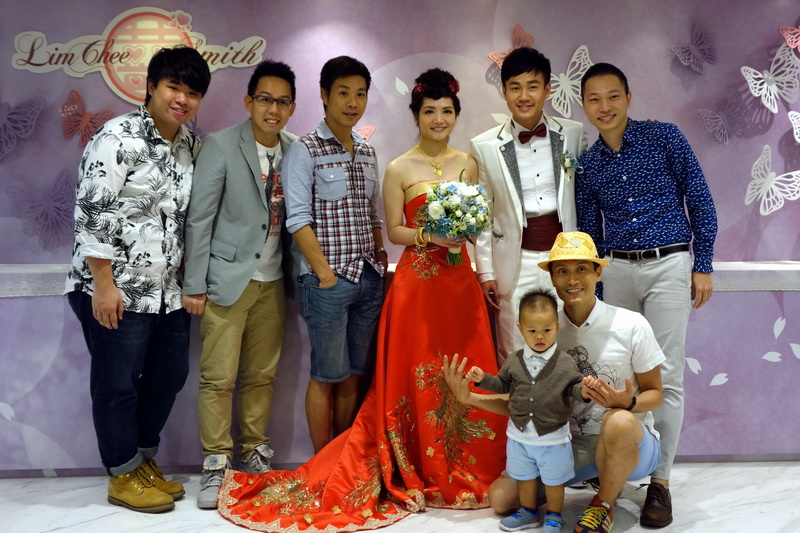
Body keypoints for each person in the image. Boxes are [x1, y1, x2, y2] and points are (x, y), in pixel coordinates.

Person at [215, 67, 507, 532]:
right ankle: (335, 456)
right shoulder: (391, 165)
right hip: (398, 283)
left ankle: (456, 456)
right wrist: (425, 238)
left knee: (368, 372)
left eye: (446, 111)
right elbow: (377, 226)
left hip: (444, 283)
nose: (438, 119)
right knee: (341, 373)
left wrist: (465, 237)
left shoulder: (440, 161)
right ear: (415, 116)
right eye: (429, 111)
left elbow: (378, 225)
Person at [65, 46, 211, 513]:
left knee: (170, 376)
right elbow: (93, 211)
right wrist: (103, 285)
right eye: (173, 88)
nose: (182, 99)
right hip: (115, 287)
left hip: (167, 292)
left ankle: (141, 460)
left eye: (192, 93)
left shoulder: (191, 147)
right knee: (118, 383)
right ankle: (121, 473)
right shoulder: (116, 136)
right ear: (150, 87)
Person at [445, 231, 666, 533]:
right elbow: (524, 403)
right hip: (563, 444)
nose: (572, 279)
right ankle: (591, 477)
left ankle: (602, 506)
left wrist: (628, 402)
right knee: (501, 498)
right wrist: (469, 397)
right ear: (552, 277)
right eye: (562, 271)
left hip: (630, 443)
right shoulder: (542, 330)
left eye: (581, 269)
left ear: (598, 273)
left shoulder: (631, 325)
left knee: (619, 421)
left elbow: (656, 393)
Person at [576, 62, 718, 528]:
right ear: (584, 106)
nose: (605, 106)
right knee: (621, 374)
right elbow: (589, 232)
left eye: (613, 96)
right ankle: (619, 469)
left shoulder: (664, 137)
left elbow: (699, 198)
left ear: (629, 97)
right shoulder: (589, 165)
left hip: (667, 264)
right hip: (616, 270)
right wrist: (596, 291)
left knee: (667, 375)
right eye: (594, 99)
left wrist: (702, 262)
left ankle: (660, 482)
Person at [182, 59, 298, 509]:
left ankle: (254, 452)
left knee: (262, 375)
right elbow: (200, 217)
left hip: (274, 280)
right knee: (218, 378)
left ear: (292, 108)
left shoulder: (295, 148)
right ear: (249, 101)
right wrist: (194, 283)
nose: (274, 109)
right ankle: (215, 463)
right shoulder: (222, 144)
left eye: (283, 102)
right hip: (228, 279)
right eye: (265, 99)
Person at [471, 47, 587, 364]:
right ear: (504, 91)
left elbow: (586, 192)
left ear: (547, 89)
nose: (524, 96)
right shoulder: (484, 145)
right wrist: (485, 271)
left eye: (532, 87)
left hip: (564, 256)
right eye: (515, 87)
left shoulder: (574, 134)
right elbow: (483, 214)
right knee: (513, 345)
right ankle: (517, 399)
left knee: (567, 341)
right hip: (514, 259)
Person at [467, 290, 588, 533]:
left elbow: (574, 389)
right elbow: (502, 384)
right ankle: (528, 512)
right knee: (525, 477)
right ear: (521, 329)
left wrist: (584, 391)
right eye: (532, 330)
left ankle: (554, 516)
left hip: (553, 438)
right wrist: (483, 379)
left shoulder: (564, 362)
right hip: (519, 436)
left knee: (554, 482)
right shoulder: (515, 359)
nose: (539, 336)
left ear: (557, 327)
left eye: (546, 330)